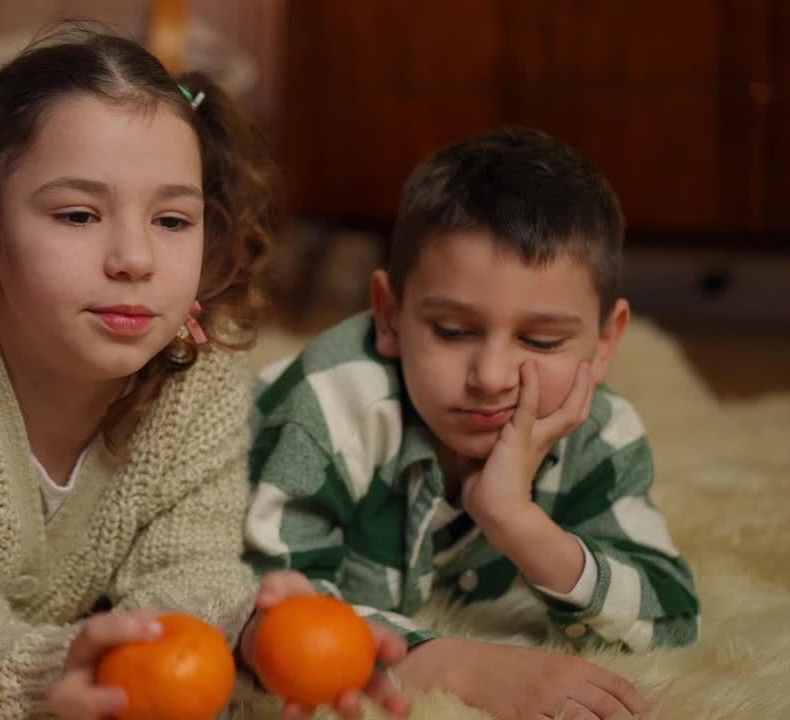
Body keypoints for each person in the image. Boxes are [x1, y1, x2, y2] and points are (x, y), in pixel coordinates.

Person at [0, 29, 408, 720]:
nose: (134, 257)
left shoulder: (201, 368)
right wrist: (53, 668)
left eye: (170, 219)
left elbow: (185, 566)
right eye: (78, 214)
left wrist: (241, 634)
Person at [245, 127, 700, 720]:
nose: (490, 376)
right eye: (453, 331)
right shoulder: (327, 408)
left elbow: (670, 618)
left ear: (606, 341)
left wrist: (520, 524)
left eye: (540, 340)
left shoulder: (599, 429)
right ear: (388, 315)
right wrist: (462, 667)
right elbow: (261, 611)